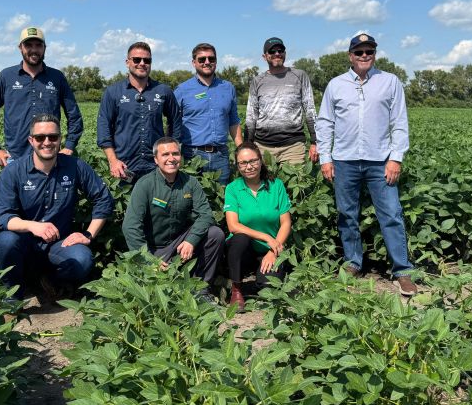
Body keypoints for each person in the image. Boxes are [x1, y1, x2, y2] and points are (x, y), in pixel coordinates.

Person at [315, 33, 417, 296]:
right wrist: (325, 157)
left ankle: (402, 271)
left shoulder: (390, 82)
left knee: (391, 214)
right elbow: (325, 123)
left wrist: (396, 158)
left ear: (374, 55)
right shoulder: (336, 85)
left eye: (369, 51)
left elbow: (399, 122)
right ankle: (353, 263)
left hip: (380, 160)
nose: (364, 56)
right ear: (350, 56)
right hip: (344, 160)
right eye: (359, 52)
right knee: (347, 214)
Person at [0, 114, 113, 302]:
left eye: (53, 137)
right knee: (5, 241)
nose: (47, 142)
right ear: (31, 140)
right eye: (40, 137)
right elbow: (0, 216)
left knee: (82, 260)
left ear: (60, 139)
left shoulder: (75, 166)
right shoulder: (14, 171)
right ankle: (12, 298)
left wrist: (88, 234)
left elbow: (103, 198)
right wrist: (33, 226)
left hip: (59, 243)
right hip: (24, 242)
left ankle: (50, 280)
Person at [121, 137, 223, 301]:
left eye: (175, 154)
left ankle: (201, 290)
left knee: (215, 234)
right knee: (153, 294)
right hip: (153, 250)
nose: (171, 158)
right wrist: (148, 260)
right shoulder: (144, 184)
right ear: (156, 159)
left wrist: (191, 240)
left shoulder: (191, 182)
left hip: (180, 246)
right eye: (165, 154)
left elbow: (205, 215)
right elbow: (130, 226)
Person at [0, 26, 83, 166]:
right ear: (20, 48)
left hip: (50, 156)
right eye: (28, 45)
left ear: (44, 48)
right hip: (14, 156)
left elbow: (73, 114)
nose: (34, 50)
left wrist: (69, 145)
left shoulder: (57, 77)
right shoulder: (6, 76)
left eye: (38, 45)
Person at [97, 42, 182, 183]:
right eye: (137, 59)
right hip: (124, 166)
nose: (142, 63)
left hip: (156, 165)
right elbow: (103, 127)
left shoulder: (163, 91)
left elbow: (175, 121)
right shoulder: (113, 92)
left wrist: (170, 152)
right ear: (127, 62)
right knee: (125, 198)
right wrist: (113, 161)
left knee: (158, 197)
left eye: (147, 60)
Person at [223, 142, 292, 312]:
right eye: (243, 163)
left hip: (268, 250)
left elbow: (286, 223)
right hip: (243, 250)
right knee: (240, 238)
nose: (249, 167)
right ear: (237, 166)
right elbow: (233, 226)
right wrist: (266, 237)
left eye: (253, 161)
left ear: (261, 161)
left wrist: (273, 251)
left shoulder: (276, 185)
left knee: (269, 290)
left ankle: (259, 280)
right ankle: (236, 289)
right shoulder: (233, 188)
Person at [174, 43, 242, 184]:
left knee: (221, 194)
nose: (207, 62)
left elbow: (234, 122)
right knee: (191, 195)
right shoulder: (182, 90)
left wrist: (241, 150)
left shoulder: (227, 88)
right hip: (192, 155)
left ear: (216, 61)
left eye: (211, 59)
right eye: (202, 59)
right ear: (194, 62)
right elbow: (173, 123)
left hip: (221, 155)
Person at [244, 37, 319, 165]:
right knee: (265, 179)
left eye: (280, 50)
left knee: (295, 177)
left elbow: (310, 110)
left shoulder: (299, 76)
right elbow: (251, 116)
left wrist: (315, 142)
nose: (277, 54)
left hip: (293, 147)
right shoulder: (257, 81)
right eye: (272, 51)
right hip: (262, 147)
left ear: (285, 53)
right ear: (264, 56)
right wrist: (248, 145)